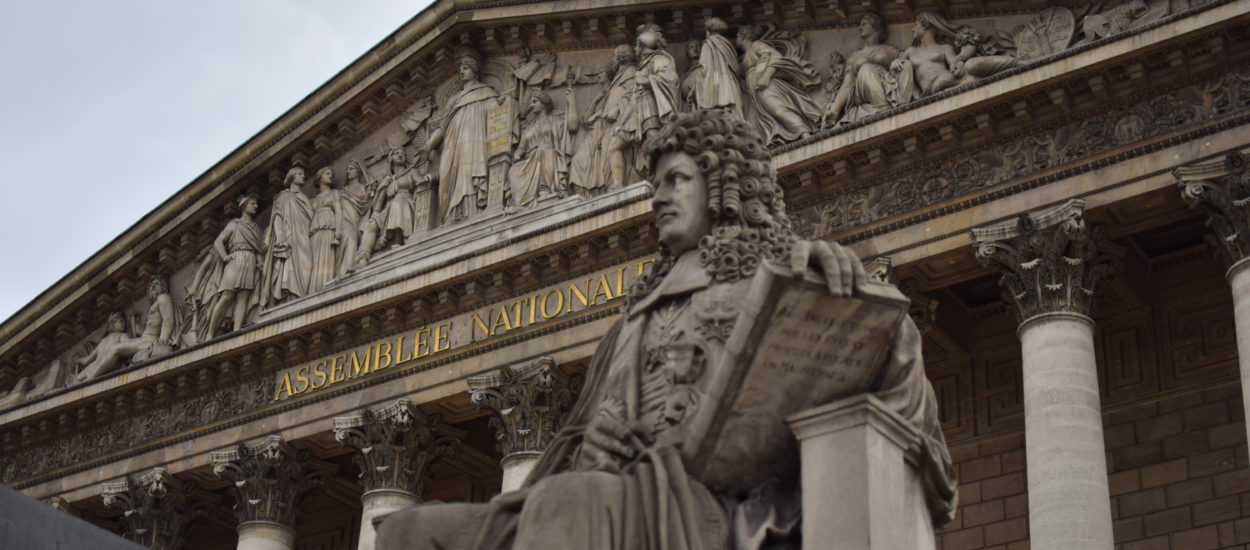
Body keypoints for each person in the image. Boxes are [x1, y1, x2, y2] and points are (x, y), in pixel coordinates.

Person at [375, 109, 956, 550]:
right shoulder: (637, 313)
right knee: (409, 530)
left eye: (675, 179)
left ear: (724, 184)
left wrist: (847, 300)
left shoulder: (784, 276)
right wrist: (590, 445)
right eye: (655, 184)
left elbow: (888, 366)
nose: (657, 197)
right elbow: (575, 442)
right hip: (614, 490)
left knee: (568, 503)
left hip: (709, 502)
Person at [420, 51, 508, 224]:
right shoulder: (454, 100)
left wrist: (502, 103)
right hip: (452, 144)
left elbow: (496, 112)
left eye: (466, 68)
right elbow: (442, 127)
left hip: (475, 139)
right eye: (460, 68)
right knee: (450, 175)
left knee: (469, 172)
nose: (461, 71)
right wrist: (429, 146)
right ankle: (453, 213)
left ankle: (470, 210)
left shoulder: (486, 92)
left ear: (475, 70)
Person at [892, 12, 1017, 98]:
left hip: (949, 78)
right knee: (960, 78)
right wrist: (895, 62)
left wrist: (957, 64)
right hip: (933, 86)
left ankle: (1016, 63)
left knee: (971, 64)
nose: (913, 29)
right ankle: (982, 82)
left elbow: (954, 63)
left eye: (916, 24)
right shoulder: (910, 51)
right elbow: (896, 70)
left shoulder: (945, 48)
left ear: (927, 26)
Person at [569, 45, 640, 194]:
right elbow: (587, 118)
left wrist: (618, 109)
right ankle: (611, 188)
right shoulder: (620, 76)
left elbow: (635, 93)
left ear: (621, 57)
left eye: (614, 56)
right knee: (606, 158)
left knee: (612, 154)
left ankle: (617, 186)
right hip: (606, 126)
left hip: (619, 122)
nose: (612, 59)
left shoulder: (630, 72)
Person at [737, 24, 823, 144]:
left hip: (765, 85)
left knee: (778, 109)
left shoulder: (756, 45)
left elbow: (776, 56)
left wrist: (766, 77)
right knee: (755, 123)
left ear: (743, 36)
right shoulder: (744, 57)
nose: (736, 39)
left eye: (737, 36)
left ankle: (805, 134)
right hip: (754, 92)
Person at [823, 12, 910, 126]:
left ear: (875, 26)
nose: (860, 28)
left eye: (864, 24)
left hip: (888, 85)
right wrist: (835, 110)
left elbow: (909, 56)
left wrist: (898, 61)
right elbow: (847, 85)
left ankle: (900, 106)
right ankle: (883, 108)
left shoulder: (888, 50)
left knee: (906, 64)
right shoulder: (855, 57)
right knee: (866, 69)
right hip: (864, 91)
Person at [206, 195, 265, 339]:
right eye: (252, 203)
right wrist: (225, 256)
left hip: (249, 260)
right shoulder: (234, 224)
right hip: (235, 258)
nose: (255, 206)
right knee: (226, 295)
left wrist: (260, 262)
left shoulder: (256, 228)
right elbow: (218, 242)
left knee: (243, 297)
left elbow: (256, 248)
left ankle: (237, 331)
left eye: (256, 204)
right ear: (244, 206)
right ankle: (209, 334)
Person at [507, 90, 575, 209]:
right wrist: (517, 155)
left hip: (549, 156)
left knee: (545, 149)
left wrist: (572, 103)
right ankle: (521, 202)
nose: (531, 105)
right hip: (529, 160)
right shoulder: (528, 128)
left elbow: (572, 126)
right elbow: (521, 148)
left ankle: (545, 189)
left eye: (535, 101)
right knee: (513, 170)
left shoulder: (555, 121)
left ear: (544, 104)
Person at [260, 168, 313, 308]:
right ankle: (290, 300)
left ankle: (301, 297)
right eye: (299, 174)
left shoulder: (304, 198)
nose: (303, 176)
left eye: (303, 173)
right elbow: (278, 217)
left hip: (305, 236)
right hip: (290, 236)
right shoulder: (283, 197)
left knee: (306, 266)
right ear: (291, 177)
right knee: (291, 268)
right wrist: (280, 237)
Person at [692, 17, 745, 120]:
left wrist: (697, 85)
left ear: (708, 31)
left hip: (716, 84)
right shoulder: (728, 45)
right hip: (731, 85)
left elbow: (705, 66)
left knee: (718, 113)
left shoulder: (709, 44)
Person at [335, 159, 373, 274]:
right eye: (347, 169)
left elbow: (365, 205)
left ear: (359, 172)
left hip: (356, 221)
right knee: (350, 240)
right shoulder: (342, 191)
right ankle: (344, 272)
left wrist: (371, 192)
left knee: (353, 239)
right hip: (343, 221)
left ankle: (344, 272)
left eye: (351, 169)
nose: (348, 172)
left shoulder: (363, 188)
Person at [308, 166, 342, 291]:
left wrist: (338, 231)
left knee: (326, 259)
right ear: (319, 177)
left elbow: (338, 211)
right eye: (327, 173)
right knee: (315, 261)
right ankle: (313, 291)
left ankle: (325, 287)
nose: (330, 176)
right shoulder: (312, 200)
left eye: (331, 174)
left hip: (329, 228)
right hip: (315, 232)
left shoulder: (335, 193)